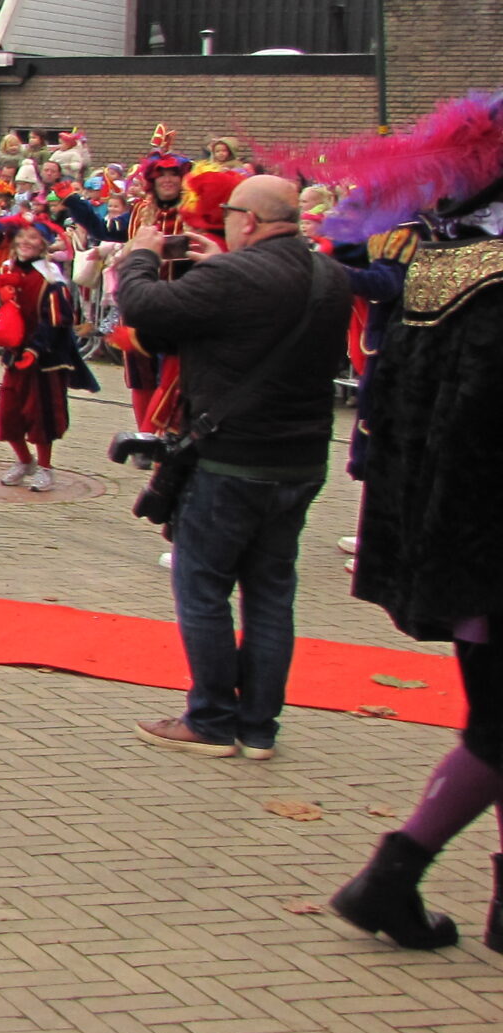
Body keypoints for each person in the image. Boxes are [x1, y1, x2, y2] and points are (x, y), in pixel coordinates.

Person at [308, 93, 503, 950]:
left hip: (459, 540)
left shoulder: (441, 265)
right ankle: (392, 874)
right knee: (497, 730)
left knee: (495, 722)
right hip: (487, 542)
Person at [113, 172, 352, 759]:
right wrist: (223, 262)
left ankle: (212, 720)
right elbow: (266, 308)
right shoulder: (330, 274)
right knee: (271, 594)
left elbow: (144, 307)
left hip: (231, 457)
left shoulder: (234, 276)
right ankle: (259, 728)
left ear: (247, 220)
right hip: (300, 459)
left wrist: (140, 254)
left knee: (203, 587)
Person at [0, 216, 98, 492]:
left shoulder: (51, 278)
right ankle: (24, 461)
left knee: (41, 416)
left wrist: (35, 349)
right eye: (21, 236)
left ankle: (45, 468)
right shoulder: (7, 270)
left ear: (44, 244)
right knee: (8, 415)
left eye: (32, 237)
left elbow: (56, 321)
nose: (25, 242)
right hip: (15, 356)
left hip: (46, 360)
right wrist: (1, 296)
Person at [111, 142, 193, 432]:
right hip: (143, 299)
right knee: (140, 374)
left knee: (173, 372)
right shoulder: (140, 211)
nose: (168, 180)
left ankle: (165, 433)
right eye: (161, 175)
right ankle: (143, 437)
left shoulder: (192, 211)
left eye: (173, 175)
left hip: (179, 301)